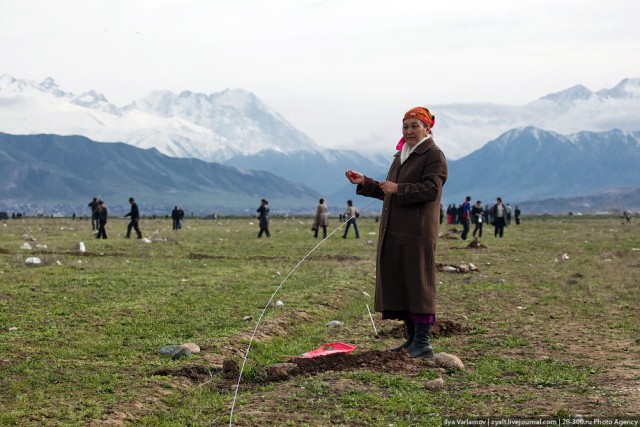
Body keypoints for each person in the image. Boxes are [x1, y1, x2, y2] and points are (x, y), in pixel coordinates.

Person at [345, 105, 447, 359]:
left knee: (418, 283)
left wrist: (398, 188)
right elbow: (387, 190)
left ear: (427, 128)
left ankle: (423, 342)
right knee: (402, 282)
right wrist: (366, 183)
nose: (409, 130)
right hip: (396, 230)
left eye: (415, 125)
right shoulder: (401, 155)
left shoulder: (433, 155)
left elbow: (431, 190)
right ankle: (411, 339)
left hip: (417, 231)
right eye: (406, 126)